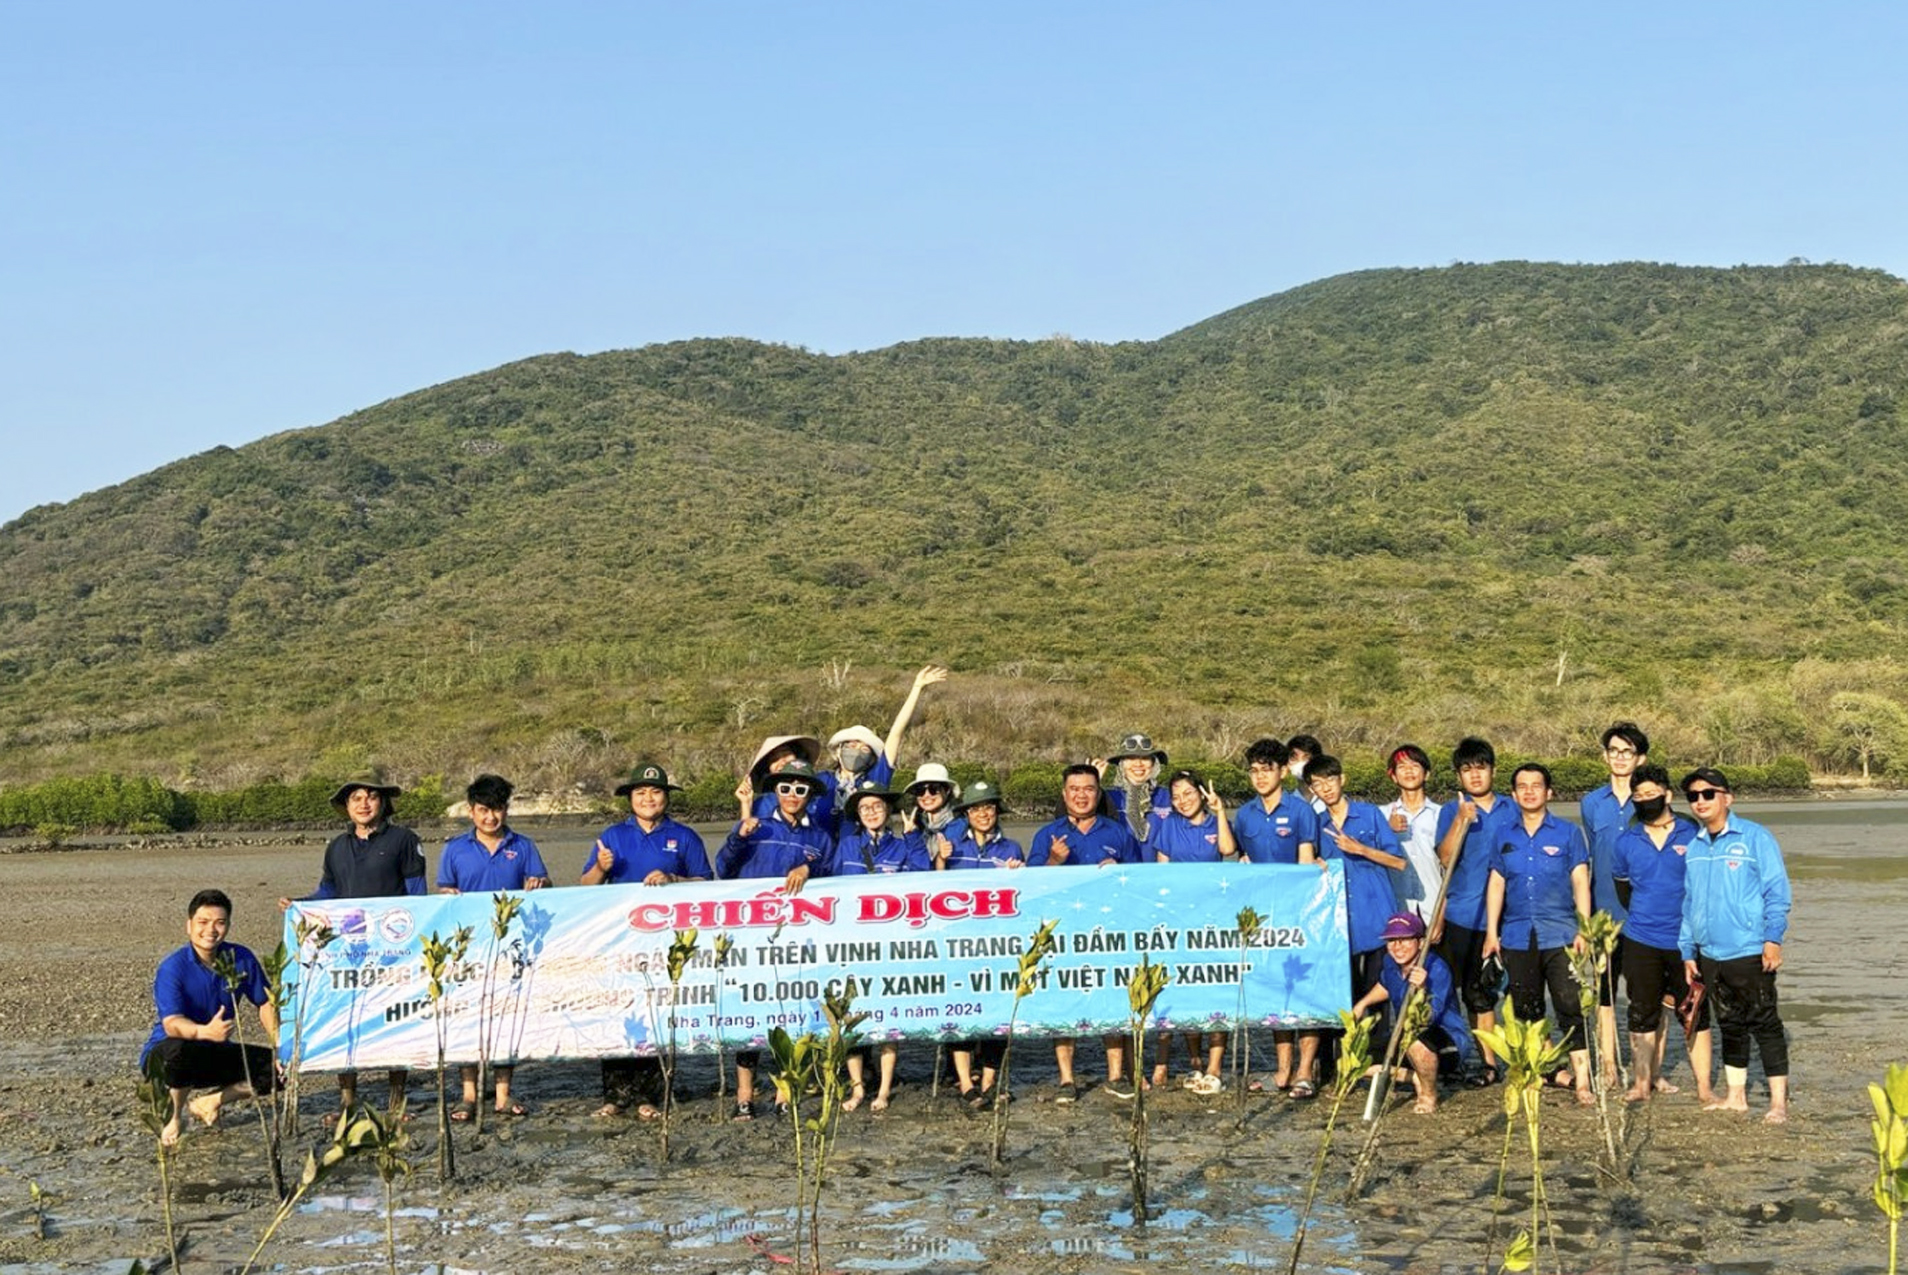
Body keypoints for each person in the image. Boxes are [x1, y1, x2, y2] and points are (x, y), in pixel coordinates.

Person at [278, 775, 426, 1116]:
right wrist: (299, 904)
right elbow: (328, 893)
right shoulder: (337, 847)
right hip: (347, 952)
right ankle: (347, 1101)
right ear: (347, 806)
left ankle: (396, 1100)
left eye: (371, 797)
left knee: (394, 1018)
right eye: (356, 798)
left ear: (383, 803)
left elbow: (418, 895)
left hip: (392, 950)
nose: (363, 803)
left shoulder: (405, 840)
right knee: (345, 1020)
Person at [582, 763, 713, 1119]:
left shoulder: (684, 836)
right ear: (630, 799)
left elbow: (707, 883)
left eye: (655, 792)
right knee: (619, 1010)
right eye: (641, 793)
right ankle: (614, 1094)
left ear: (666, 797)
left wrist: (674, 878)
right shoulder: (611, 835)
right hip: (621, 941)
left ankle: (650, 1095)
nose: (648, 798)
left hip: (666, 943)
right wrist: (601, 868)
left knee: (658, 1014)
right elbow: (585, 887)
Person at [716, 760, 836, 1119]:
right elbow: (723, 868)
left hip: (798, 939)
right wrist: (739, 833)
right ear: (776, 792)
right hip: (753, 936)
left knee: (791, 1011)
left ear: (810, 795)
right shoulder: (756, 825)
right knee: (749, 1012)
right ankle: (745, 1095)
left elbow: (833, 875)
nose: (792, 795)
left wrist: (808, 869)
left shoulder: (821, 838)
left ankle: (785, 1091)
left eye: (801, 789)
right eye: (785, 788)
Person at [1677, 767, 1792, 1123]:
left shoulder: (1755, 837)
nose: (1700, 801)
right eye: (1693, 796)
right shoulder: (1694, 847)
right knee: (1730, 1024)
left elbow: (1777, 892)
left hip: (1749, 949)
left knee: (1765, 1022)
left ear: (1727, 797)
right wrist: (1687, 950)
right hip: (1709, 954)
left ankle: (1778, 1104)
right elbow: (1689, 902)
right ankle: (1736, 1097)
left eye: (1708, 793)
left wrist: (1772, 939)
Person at [437, 773, 549, 1120]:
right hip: (468, 949)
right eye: (484, 810)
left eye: (497, 810)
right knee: (466, 1018)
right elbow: (444, 892)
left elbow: (545, 886)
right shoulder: (454, 849)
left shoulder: (524, 846)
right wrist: (447, 897)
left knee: (506, 1017)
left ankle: (503, 1092)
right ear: (471, 811)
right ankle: (468, 1093)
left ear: (506, 811)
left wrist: (540, 883)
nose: (491, 817)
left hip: (511, 949)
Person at [1027, 764, 1142, 1103]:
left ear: (1098, 793)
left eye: (1089, 788)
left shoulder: (1119, 834)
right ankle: (1066, 1079)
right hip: (1064, 932)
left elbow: (1139, 882)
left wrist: (1121, 872)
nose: (1081, 795)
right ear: (1064, 795)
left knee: (1113, 999)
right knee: (1064, 1002)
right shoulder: (1047, 834)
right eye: (1074, 789)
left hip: (1110, 932)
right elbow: (1031, 886)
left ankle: (1116, 1075)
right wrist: (1052, 860)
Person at [1483, 763, 1595, 1106]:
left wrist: (1585, 930)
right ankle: (1538, 1072)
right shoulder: (1503, 835)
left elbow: (1580, 881)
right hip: (1517, 935)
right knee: (1526, 1011)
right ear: (1514, 794)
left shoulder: (1567, 833)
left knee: (1570, 1008)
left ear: (1549, 792)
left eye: (1536, 785)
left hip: (1561, 933)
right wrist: (1491, 932)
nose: (1529, 791)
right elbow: (1497, 884)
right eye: (1522, 786)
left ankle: (1583, 1083)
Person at [1299, 754, 1408, 1099]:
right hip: (1334, 924)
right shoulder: (1314, 821)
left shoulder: (1370, 814)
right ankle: (1332, 1068)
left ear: (1342, 779)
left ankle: (1374, 1069)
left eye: (1329, 780)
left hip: (1376, 918)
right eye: (1316, 784)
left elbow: (1399, 861)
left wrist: (1360, 849)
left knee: (1377, 997)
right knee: (1337, 997)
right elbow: (1304, 864)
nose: (1325, 788)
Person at [142, 889, 279, 1145]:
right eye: (203, 922)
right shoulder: (173, 968)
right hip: (165, 1058)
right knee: (180, 1049)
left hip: (213, 1053)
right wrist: (205, 1031)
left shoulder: (241, 958)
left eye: (220, 922)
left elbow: (264, 1003)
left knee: (280, 1069)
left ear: (228, 925)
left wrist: (279, 1042)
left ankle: (210, 1102)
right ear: (189, 925)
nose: (211, 930)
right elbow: (172, 1024)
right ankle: (175, 1115)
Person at [1609, 764, 1713, 1104]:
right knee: (1642, 1012)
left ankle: (1704, 1089)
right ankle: (1641, 1084)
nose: (1645, 801)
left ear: (1667, 795)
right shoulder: (1625, 841)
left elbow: (1704, 886)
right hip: (1641, 938)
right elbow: (1624, 892)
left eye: (1651, 794)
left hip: (1685, 941)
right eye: (1638, 796)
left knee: (1693, 1014)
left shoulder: (1691, 833)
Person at [832, 779, 930, 1112]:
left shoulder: (903, 846)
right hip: (852, 945)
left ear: (887, 810)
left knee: (889, 1017)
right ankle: (858, 1088)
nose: (872, 812)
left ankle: (884, 1090)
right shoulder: (846, 846)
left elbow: (923, 877)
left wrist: (914, 835)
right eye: (864, 807)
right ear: (857, 815)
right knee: (853, 1019)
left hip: (891, 946)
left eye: (877, 806)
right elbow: (829, 887)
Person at [1231, 737, 1318, 1092]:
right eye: (1253, 771)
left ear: (1283, 771)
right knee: (1276, 995)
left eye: (1267, 770)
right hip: (1263, 921)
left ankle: (1306, 1070)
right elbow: (1240, 861)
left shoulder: (1302, 811)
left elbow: (1307, 863)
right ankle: (1283, 1069)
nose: (1260, 777)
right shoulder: (1245, 814)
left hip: (1298, 915)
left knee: (1305, 991)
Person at [1144, 769, 1238, 1092]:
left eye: (1188, 793)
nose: (1183, 801)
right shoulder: (1169, 825)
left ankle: (1215, 1066)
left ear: (1201, 793)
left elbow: (1227, 850)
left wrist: (1220, 812)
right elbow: (1161, 872)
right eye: (1176, 796)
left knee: (1216, 988)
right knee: (1184, 988)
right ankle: (1195, 1061)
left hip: (1214, 920)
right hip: (1179, 921)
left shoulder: (1216, 823)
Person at [931, 779, 1022, 1106]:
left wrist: (1019, 874)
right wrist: (940, 861)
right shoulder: (953, 848)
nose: (983, 814)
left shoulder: (1011, 849)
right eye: (975, 809)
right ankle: (965, 1083)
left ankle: (988, 1082)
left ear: (996, 811)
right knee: (962, 1010)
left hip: (998, 945)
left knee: (997, 1016)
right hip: (959, 945)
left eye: (988, 807)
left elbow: (1020, 895)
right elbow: (934, 894)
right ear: (965, 814)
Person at [1431, 737, 1511, 1083]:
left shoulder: (1512, 807)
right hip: (1463, 915)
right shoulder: (1452, 810)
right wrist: (1462, 821)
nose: (1475, 776)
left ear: (1492, 770)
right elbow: (1445, 858)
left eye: (1480, 767)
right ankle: (1470, 1060)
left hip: (1509, 916)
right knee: (1460, 992)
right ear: (1459, 776)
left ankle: (1505, 1062)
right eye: (1467, 770)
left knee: (1498, 993)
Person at [1580, 721, 1650, 1084]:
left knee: (1644, 995)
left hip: (1645, 915)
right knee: (1604, 992)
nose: (1620, 758)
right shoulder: (1591, 803)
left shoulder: (1650, 799)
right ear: (1605, 756)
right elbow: (1590, 858)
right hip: (1604, 914)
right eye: (1614, 751)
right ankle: (1608, 1064)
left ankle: (1643, 1069)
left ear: (1640, 759)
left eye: (1628, 752)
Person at [1349, 912, 1471, 1114]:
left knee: (1415, 1040)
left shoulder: (1437, 969)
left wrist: (1422, 989)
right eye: (1392, 941)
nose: (1398, 947)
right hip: (1403, 1034)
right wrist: (1362, 1004)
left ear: (1421, 942)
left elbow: (1429, 1018)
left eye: (1405, 940)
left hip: (1444, 1037)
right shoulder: (1390, 962)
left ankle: (1428, 1094)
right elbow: (1386, 985)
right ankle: (1416, 1076)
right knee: (1356, 1058)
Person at [1381, 745, 1444, 923]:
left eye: (1415, 765)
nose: (1409, 771)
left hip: (1434, 907)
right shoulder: (1382, 815)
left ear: (1427, 774)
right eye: (1401, 767)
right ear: (1393, 776)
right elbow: (1369, 851)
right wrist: (1388, 830)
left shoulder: (1441, 814)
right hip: (1397, 908)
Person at [1099, 732, 1174, 843]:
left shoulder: (1170, 796)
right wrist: (1091, 784)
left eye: (1145, 758)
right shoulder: (1106, 797)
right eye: (1131, 758)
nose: (1138, 764)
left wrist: (1210, 807)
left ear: (1153, 764)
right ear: (1121, 764)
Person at [1287, 733, 1327, 815]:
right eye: (1294, 758)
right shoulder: (1286, 804)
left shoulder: (1330, 800)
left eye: (1306, 758)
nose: (1300, 763)